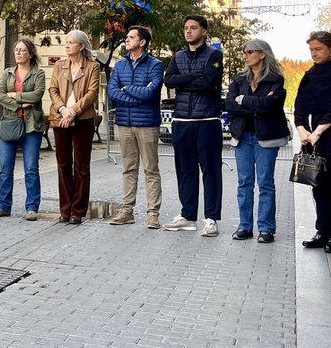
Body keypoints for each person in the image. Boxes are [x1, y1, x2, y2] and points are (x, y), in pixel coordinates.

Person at [162, 14, 224, 236]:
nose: (188, 31)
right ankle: (188, 216)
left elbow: (209, 83)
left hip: (207, 121)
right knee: (185, 170)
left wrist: (185, 80)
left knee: (211, 171)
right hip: (181, 121)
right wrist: (195, 76)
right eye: (186, 28)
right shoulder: (177, 57)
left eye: (193, 28)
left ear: (204, 31)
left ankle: (211, 219)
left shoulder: (214, 55)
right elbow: (169, 81)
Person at [226, 39, 288, 244]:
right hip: (243, 136)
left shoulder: (275, 79)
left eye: (249, 51)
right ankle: (245, 226)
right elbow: (229, 105)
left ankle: (266, 228)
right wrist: (256, 104)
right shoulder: (239, 79)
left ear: (262, 54)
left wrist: (243, 100)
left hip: (266, 138)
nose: (245, 55)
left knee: (265, 184)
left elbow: (270, 106)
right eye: (244, 52)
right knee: (244, 183)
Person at [106, 26, 165, 229]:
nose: (126, 40)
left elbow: (151, 94)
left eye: (131, 37)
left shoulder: (156, 65)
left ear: (142, 42)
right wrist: (134, 98)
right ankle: (126, 211)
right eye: (127, 37)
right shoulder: (120, 65)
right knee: (129, 169)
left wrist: (127, 89)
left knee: (151, 169)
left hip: (147, 124)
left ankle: (153, 214)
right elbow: (112, 92)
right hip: (124, 123)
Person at [295, 31, 331, 253]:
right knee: (318, 185)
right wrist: (302, 130)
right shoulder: (311, 74)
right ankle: (322, 231)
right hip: (314, 136)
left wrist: (317, 132)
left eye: (319, 49)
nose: (314, 54)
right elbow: (300, 105)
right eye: (311, 50)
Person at [47, 30, 100, 225]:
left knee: (81, 165)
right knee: (63, 164)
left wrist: (73, 112)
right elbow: (52, 89)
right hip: (60, 118)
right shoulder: (60, 65)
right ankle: (65, 209)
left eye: (71, 42)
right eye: (66, 42)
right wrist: (63, 109)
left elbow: (92, 93)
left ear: (82, 46)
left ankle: (78, 210)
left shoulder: (93, 67)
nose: (67, 45)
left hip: (83, 118)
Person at [0, 38, 46, 221]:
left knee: (31, 167)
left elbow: (37, 95)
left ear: (30, 53)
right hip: (10, 123)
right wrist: (20, 105)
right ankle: (3, 205)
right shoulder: (7, 73)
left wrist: (14, 95)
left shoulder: (38, 74)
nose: (18, 53)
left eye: (22, 50)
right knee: (6, 168)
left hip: (32, 126)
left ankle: (32, 207)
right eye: (16, 50)